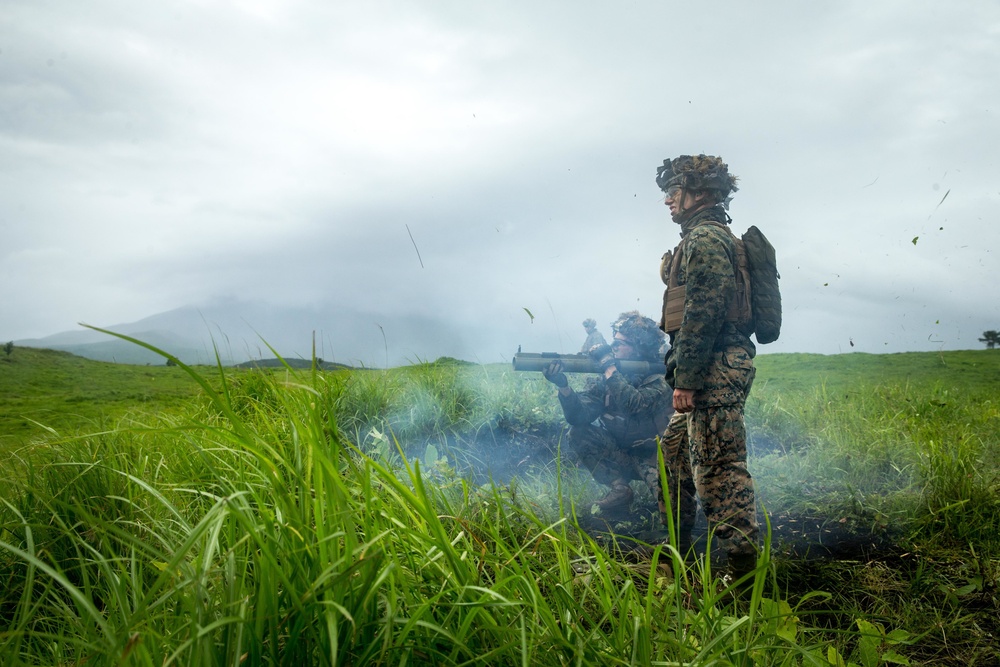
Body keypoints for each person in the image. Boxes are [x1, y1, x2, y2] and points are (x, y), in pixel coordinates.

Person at [656, 154, 758, 576]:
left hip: (714, 367)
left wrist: (687, 379)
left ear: (698, 192)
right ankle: (677, 551)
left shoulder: (706, 239)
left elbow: (705, 311)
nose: (667, 201)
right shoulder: (701, 237)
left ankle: (744, 568)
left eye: (672, 191)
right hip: (709, 365)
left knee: (718, 467)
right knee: (675, 454)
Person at [542, 311, 673, 518]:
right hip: (622, 453)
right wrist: (563, 386)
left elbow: (635, 404)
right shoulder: (608, 378)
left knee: (675, 507)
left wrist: (609, 367)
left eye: (622, 343)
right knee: (578, 432)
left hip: (655, 457)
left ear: (638, 349)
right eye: (614, 341)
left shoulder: (662, 379)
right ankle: (620, 490)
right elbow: (579, 417)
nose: (614, 347)